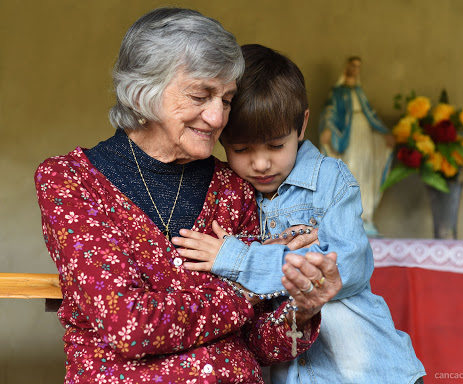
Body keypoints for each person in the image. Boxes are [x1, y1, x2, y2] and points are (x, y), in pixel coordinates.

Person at [34, 9, 342, 384]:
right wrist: (249, 292)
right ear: (142, 90)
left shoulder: (233, 188)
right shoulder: (71, 181)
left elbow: (258, 344)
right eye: (200, 95)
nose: (217, 118)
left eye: (226, 100)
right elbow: (129, 325)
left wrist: (303, 306)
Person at [173, 44, 426, 384]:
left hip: (366, 370)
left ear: (302, 125)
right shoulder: (229, 193)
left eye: (276, 146)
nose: (260, 163)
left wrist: (241, 260)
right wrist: (302, 255)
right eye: (241, 149)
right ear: (220, 135)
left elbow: (345, 267)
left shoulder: (330, 180)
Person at [318, 56, 394, 236]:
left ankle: (365, 215)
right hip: (348, 138)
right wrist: (328, 129)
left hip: (365, 134)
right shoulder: (338, 91)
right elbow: (330, 111)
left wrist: (384, 134)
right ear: (346, 67)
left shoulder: (359, 92)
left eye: (358, 67)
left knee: (365, 173)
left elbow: (371, 114)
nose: (355, 69)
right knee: (351, 171)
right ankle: (349, 215)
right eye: (353, 65)